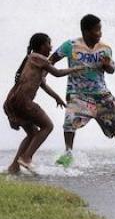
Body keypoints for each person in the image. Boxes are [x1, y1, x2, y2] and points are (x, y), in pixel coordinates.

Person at [49, 14, 115, 169]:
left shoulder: (105, 49)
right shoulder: (70, 45)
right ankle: (68, 154)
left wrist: (107, 65)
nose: (100, 33)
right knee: (69, 123)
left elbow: (112, 69)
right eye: (97, 30)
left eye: (100, 29)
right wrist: (42, 75)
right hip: (78, 94)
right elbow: (51, 61)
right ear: (86, 31)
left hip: (101, 95)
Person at [4, 33, 85, 174]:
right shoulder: (38, 57)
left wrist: (56, 97)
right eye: (49, 43)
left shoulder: (32, 60)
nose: (51, 47)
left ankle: (14, 167)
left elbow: (42, 84)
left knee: (32, 133)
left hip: (12, 102)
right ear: (42, 46)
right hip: (23, 102)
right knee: (48, 126)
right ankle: (26, 158)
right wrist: (75, 69)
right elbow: (58, 73)